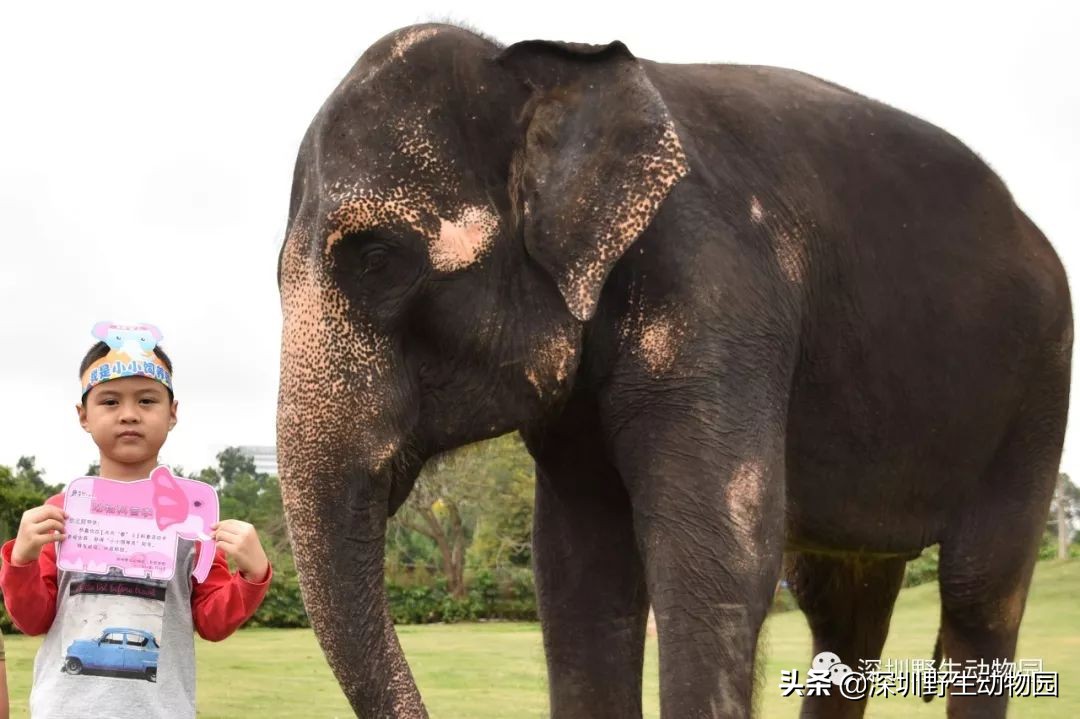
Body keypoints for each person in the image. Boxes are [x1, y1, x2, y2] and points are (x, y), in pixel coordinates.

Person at [0, 322, 272, 719]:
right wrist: (21, 559)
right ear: (84, 415)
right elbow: (33, 619)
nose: (129, 414)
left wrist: (252, 574)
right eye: (110, 402)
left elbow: (212, 622)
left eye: (147, 401)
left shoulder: (195, 515)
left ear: (172, 412)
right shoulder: (61, 511)